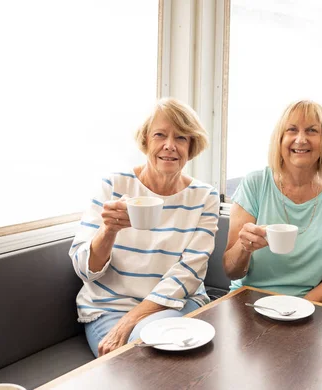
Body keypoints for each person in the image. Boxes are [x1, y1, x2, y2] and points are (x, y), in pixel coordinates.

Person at [70, 98, 219, 357]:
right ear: (146, 141)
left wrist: (130, 321)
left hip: (176, 304)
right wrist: (108, 231)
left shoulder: (204, 197)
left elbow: (189, 272)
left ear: (191, 146)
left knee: (168, 350)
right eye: (160, 135)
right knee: (151, 357)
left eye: (181, 138)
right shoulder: (113, 186)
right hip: (110, 308)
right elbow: (85, 271)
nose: (170, 146)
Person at [222, 100, 322, 305]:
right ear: (280, 139)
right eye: (292, 130)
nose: (301, 139)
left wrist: (294, 309)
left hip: (314, 308)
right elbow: (231, 270)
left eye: (312, 131)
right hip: (249, 301)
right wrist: (244, 247)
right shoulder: (255, 184)